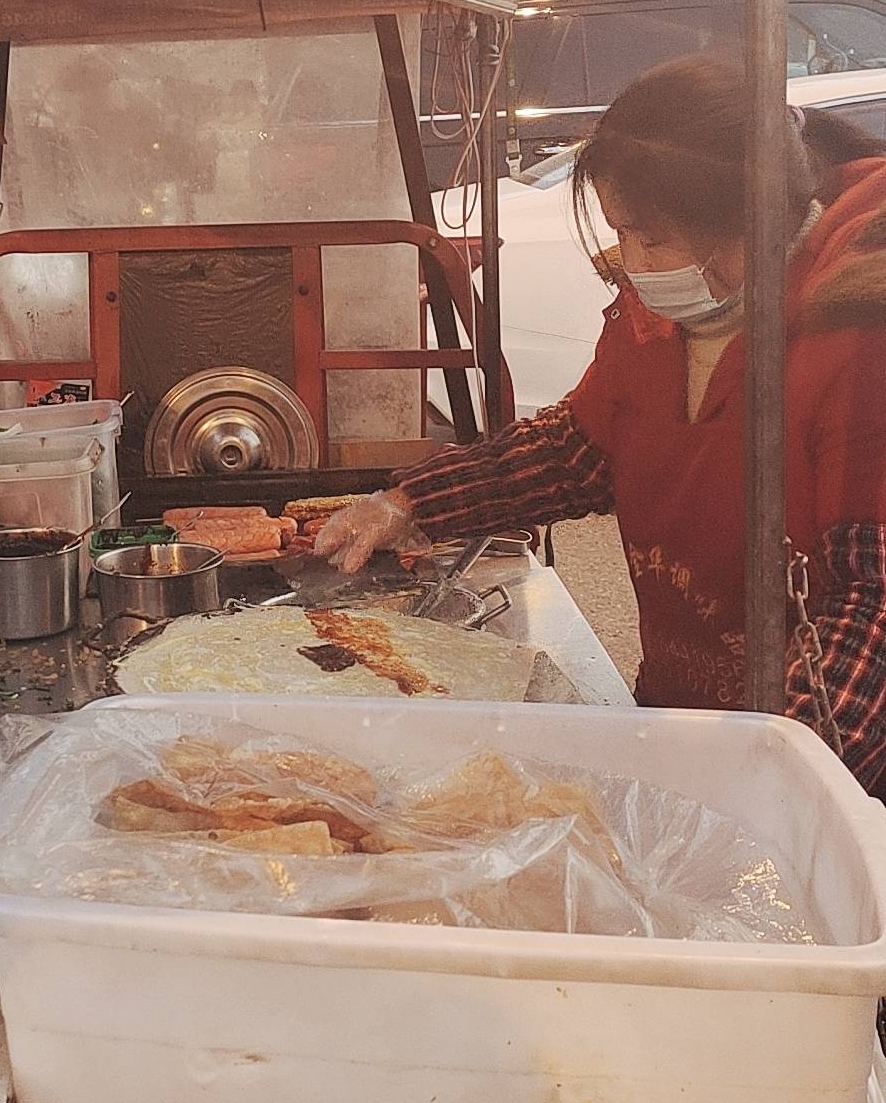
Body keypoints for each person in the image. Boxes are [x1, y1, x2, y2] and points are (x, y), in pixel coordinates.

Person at [317, 57, 886, 792]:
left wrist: (771, 789)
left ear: (750, 220)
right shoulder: (659, 314)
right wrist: (411, 503)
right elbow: (580, 449)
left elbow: (873, 608)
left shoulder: (858, 331)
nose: (634, 262)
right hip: (682, 722)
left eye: (650, 237)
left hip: (820, 769)